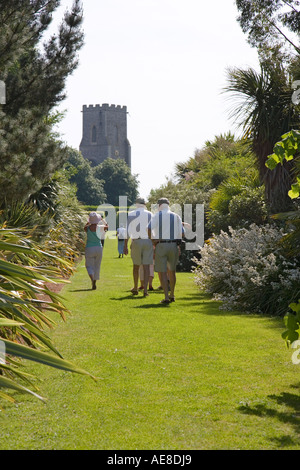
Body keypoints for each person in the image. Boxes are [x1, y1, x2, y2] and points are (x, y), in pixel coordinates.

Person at [147, 198, 184, 304]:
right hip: (173, 244)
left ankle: (166, 297)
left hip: (161, 244)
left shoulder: (157, 215)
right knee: (172, 271)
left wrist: (153, 240)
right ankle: (172, 294)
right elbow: (182, 233)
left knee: (162, 272)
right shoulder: (176, 216)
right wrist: (178, 245)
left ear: (159, 205)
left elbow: (149, 228)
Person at [124, 197, 153, 297]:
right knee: (146, 267)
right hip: (147, 241)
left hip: (136, 241)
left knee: (136, 266)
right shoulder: (150, 214)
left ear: (136, 204)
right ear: (144, 204)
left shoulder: (131, 214)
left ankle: (136, 287)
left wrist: (125, 245)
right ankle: (145, 290)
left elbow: (127, 231)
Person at [84, 212, 103, 290]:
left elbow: (85, 226)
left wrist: (89, 222)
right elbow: (107, 226)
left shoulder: (87, 228)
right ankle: (95, 280)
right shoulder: (100, 227)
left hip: (89, 248)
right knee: (97, 266)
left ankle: (92, 279)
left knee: (89, 266)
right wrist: (101, 220)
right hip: (99, 247)